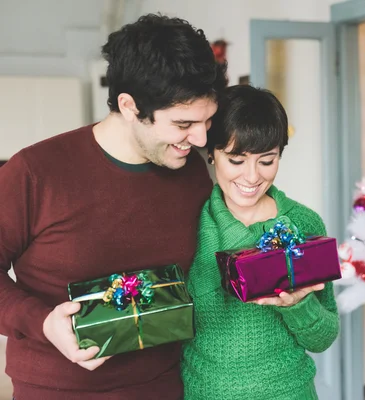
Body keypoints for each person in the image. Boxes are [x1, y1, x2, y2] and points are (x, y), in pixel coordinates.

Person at [0, 14, 226, 400]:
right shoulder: (35, 172)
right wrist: (41, 322)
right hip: (58, 390)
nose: (202, 138)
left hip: (168, 386)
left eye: (208, 120)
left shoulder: (192, 174)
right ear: (129, 106)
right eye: (183, 123)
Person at [181, 85, 339, 400]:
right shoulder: (187, 224)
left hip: (289, 392)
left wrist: (298, 305)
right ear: (212, 154)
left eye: (267, 161)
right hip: (205, 392)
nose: (252, 177)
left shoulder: (305, 224)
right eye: (236, 160)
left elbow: (324, 337)